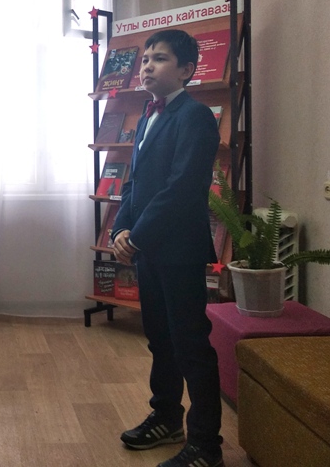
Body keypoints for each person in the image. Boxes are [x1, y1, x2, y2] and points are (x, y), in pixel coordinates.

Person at [109, 29, 223, 467]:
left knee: (191, 344)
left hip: (178, 251)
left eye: (159, 59)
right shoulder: (147, 115)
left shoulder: (195, 116)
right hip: (148, 250)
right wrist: (121, 228)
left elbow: (181, 189)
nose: (147, 66)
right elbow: (134, 182)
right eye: (145, 60)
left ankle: (206, 446)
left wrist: (137, 236)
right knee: (160, 339)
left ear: (187, 70)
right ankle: (166, 416)